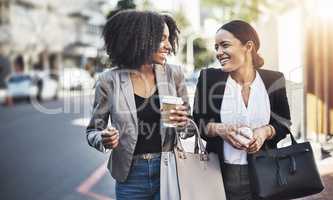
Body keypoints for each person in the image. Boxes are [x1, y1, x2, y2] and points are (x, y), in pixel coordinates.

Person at [86, 10, 190, 200]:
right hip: (130, 177)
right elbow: (92, 131)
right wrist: (104, 138)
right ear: (140, 39)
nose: (168, 46)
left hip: (167, 169)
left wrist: (183, 123)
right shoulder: (109, 80)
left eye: (169, 39)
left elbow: (189, 127)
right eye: (162, 39)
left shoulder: (174, 74)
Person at [193, 20, 292, 200]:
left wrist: (264, 132)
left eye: (225, 45)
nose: (219, 53)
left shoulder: (273, 79)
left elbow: (284, 122)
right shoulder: (209, 78)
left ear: (248, 46)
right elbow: (198, 122)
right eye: (216, 47)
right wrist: (220, 129)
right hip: (220, 174)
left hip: (265, 172)